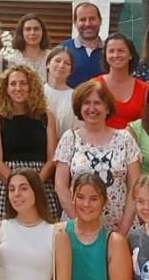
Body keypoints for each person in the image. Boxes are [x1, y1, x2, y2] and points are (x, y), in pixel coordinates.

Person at [54, 79, 142, 233]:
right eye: (86, 103)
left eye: (97, 103)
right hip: (77, 227)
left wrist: (124, 229)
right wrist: (81, 226)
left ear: (107, 107)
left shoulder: (125, 139)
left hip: (119, 226)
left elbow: (135, 187)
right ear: (79, 107)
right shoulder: (70, 138)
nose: (92, 108)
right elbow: (60, 186)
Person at [0, 65, 60, 220]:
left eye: (23, 83)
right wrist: (18, 186)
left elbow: (53, 158)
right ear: (6, 89)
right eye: (13, 84)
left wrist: (35, 185)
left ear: (31, 87)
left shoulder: (47, 117)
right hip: (8, 181)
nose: (18, 88)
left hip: (41, 181)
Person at [94, 32, 148, 129]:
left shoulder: (145, 89)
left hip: (135, 142)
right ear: (105, 56)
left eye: (121, 50)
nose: (116, 55)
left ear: (130, 55)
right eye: (111, 51)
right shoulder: (93, 85)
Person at [61, 1, 104, 86]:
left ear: (100, 21)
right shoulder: (63, 49)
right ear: (75, 23)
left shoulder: (111, 51)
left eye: (92, 19)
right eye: (82, 20)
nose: (87, 24)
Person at [44, 46, 79, 139]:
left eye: (67, 63)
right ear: (48, 64)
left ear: (71, 70)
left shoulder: (76, 97)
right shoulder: (36, 93)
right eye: (57, 61)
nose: (61, 65)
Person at [6, 14, 51, 81]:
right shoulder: (12, 60)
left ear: (42, 32)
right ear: (21, 33)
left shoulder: (52, 57)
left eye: (36, 29)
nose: (32, 33)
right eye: (28, 29)